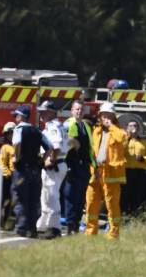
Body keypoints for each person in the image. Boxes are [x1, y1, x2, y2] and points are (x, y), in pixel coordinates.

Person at [83, 102, 129, 240]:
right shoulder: (96, 130)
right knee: (91, 202)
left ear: (114, 117)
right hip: (95, 171)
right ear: (100, 116)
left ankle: (113, 234)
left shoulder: (119, 131)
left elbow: (122, 138)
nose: (106, 118)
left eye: (109, 115)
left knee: (112, 204)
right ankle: (91, 231)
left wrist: (111, 126)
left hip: (111, 173)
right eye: (103, 115)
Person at [10, 105, 51, 238]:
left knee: (20, 197)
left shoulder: (19, 129)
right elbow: (50, 147)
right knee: (33, 199)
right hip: (35, 169)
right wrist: (41, 160)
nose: (15, 118)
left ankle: (21, 227)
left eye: (16, 115)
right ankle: (32, 229)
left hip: (22, 169)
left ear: (22, 116)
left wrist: (16, 157)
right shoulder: (37, 131)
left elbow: (17, 143)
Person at [36, 101, 69, 238]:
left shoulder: (52, 126)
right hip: (58, 164)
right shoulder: (59, 125)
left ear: (51, 112)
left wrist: (51, 160)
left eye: (44, 111)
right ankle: (43, 225)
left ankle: (54, 228)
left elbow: (56, 146)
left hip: (54, 166)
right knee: (46, 195)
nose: (41, 114)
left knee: (51, 196)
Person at [60, 100, 92, 234]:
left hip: (84, 166)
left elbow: (91, 148)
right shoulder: (68, 124)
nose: (79, 112)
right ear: (72, 111)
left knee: (80, 197)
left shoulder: (86, 126)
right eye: (76, 109)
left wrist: (93, 165)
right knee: (70, 196)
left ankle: (76, 224)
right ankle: (70, 225)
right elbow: (64, 144)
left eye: (81, 109)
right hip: (71, 164)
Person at [121, 119, 146, 215]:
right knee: (125, 194)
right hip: (126, 171)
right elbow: (119, 153)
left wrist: (143, 159)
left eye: (135, 126)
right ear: (127, 128)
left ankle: (136, 213)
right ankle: (124, 213)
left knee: (138, 194)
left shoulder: (144, 142)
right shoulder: (124, 141)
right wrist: (127, 137)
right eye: (131, 126)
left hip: (140, 172)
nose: (133, 128)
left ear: (139, 128)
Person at [0, 121, 17, 230]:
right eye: (8, 133)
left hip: (17, 176)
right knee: (4, 200)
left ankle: (9, 223)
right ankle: (1, 222)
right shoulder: (5, 147)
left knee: (12, 201)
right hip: (8, 177)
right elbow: (2, 162)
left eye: (12, 133)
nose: (10, 135)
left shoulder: (18, 145)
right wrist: (7, 174)